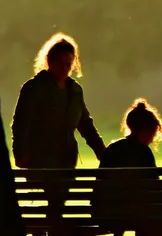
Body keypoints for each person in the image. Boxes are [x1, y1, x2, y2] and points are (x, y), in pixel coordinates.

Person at [99, 99, 162, 236]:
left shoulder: (112, 148)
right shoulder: (143, 152)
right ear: (146, 130)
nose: (154, 137)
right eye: (154, 132)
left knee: (142, 207)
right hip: (137, 212)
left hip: (106, 213)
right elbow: (151, 190)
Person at [11, 32, 106, 168]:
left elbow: (86, 125)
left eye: (68, 64)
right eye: (60, 63)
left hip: (67, 160)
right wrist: (20, 154)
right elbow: (20, 123)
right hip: (40, 159)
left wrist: (102, 152)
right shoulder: (34, 88)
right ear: (50, 61)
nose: (65, 69)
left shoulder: (74, 91)